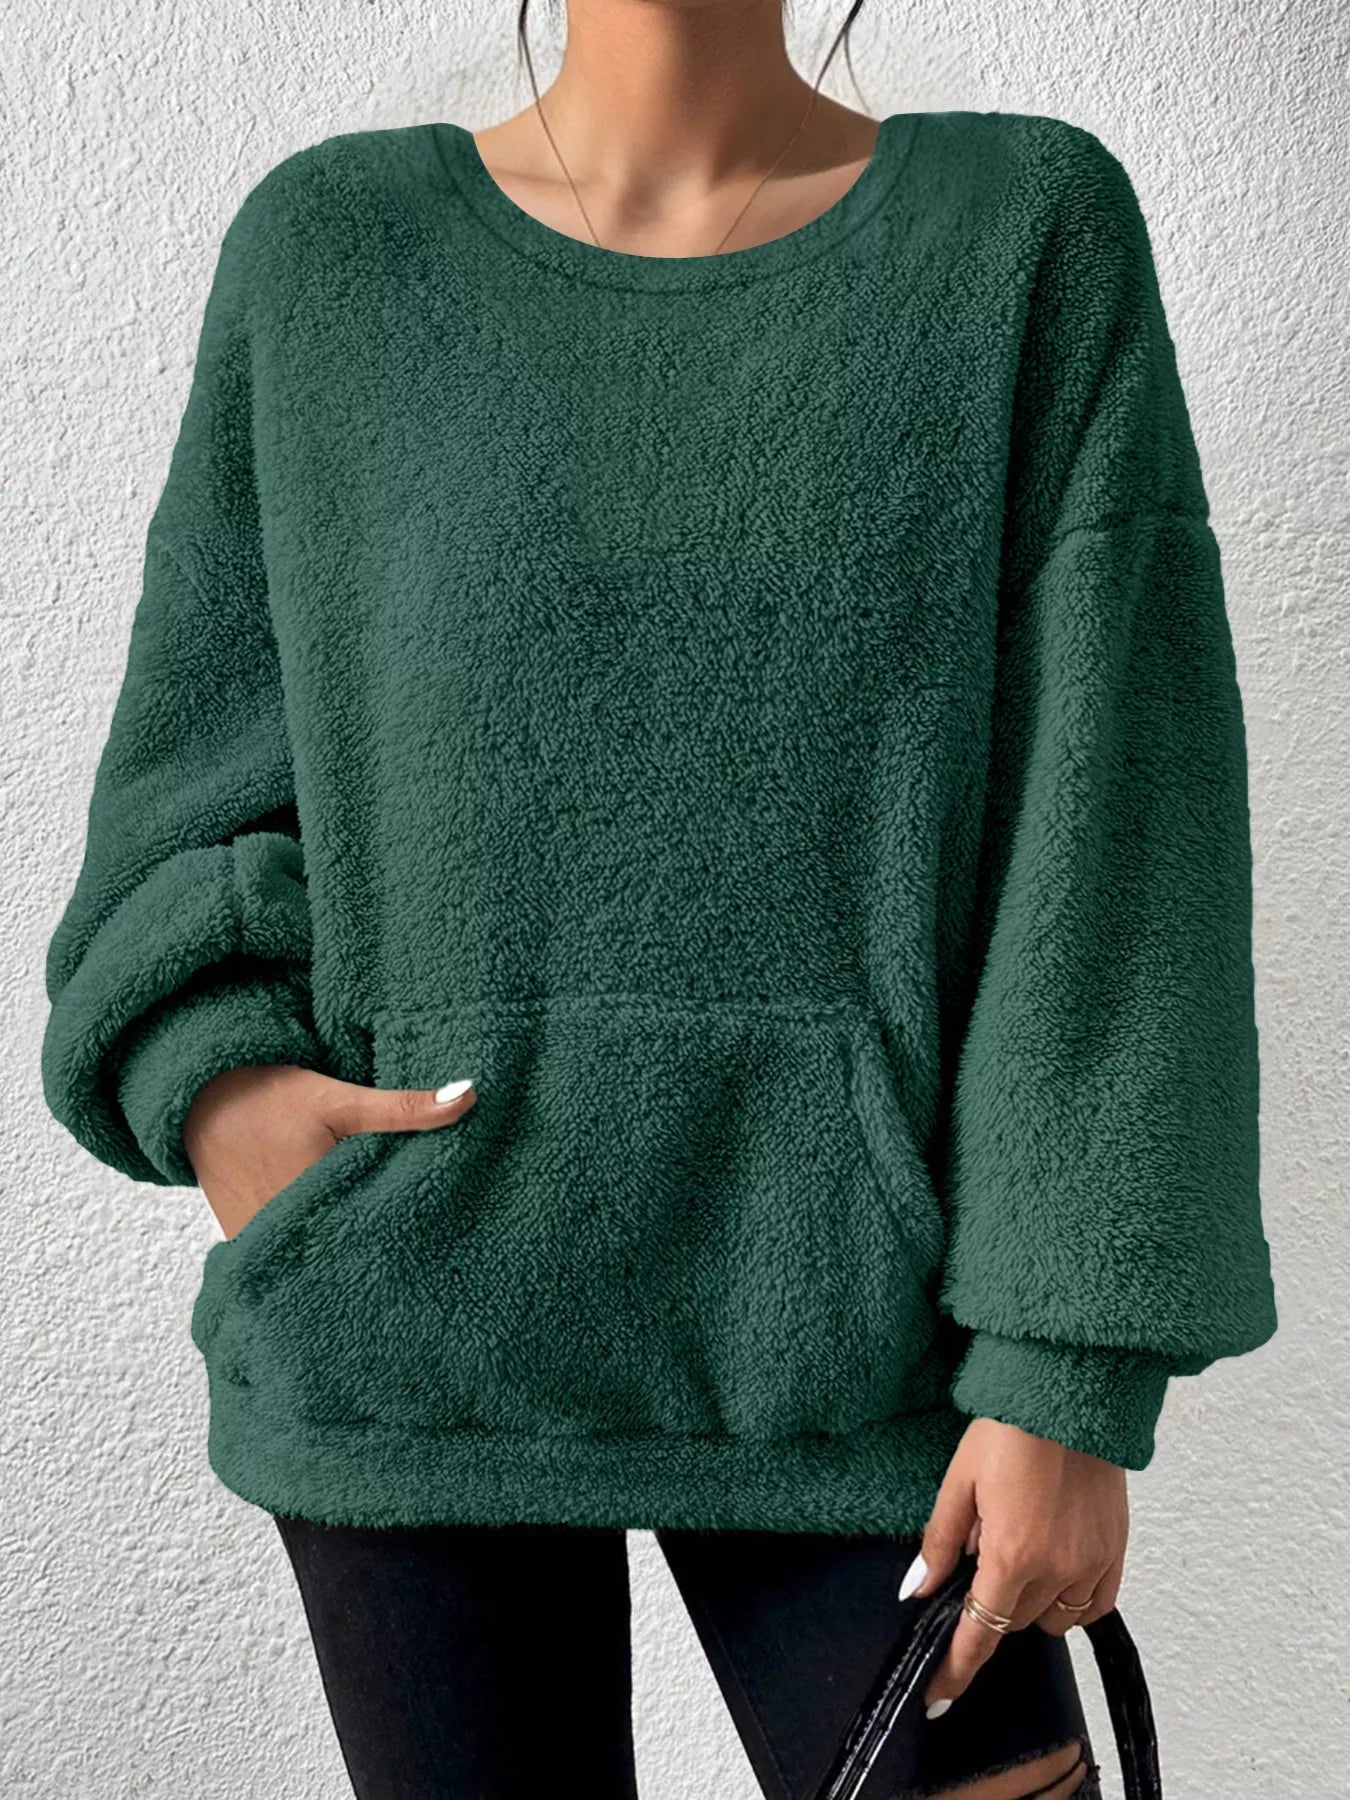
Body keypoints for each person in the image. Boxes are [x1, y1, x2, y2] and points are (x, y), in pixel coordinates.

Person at [39, 2, 1278, 1796]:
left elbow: (1120, 828)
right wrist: (218, 1079)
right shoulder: (330, 253)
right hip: (412, 1339)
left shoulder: (1020, 229)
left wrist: (1068, 1366)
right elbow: (191, 781)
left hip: (871, 1357)